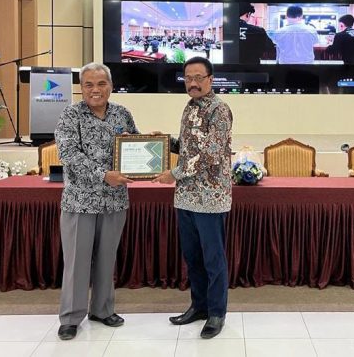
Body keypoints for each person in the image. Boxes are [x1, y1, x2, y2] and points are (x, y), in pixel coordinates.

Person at [54, 62, 139, 341]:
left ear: (111, 87)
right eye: (89, 84)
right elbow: (68, 155)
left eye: (101, 84)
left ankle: (102, 310)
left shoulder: (122, 113)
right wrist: (104, 175)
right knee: (77, 262)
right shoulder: (70, 115)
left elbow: (135, 144)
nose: (95, 90)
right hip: (80, 202)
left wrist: (141, 150)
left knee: (106, 259)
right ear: (81, 88)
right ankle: (71, 317)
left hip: (115, 201)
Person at [152, 56, 233, 339]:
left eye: (199, 77)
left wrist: (173, 173)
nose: (193, 83)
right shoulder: (189, 108)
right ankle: (198, 306)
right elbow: (188, 147)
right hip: (186, 196)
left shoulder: (219, 110)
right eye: (188, 78)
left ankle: (216, 313)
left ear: (210, 79)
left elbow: (210, 154)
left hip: (210, 197)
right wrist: (163, 141)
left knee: (213, 259)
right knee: (193, 257)